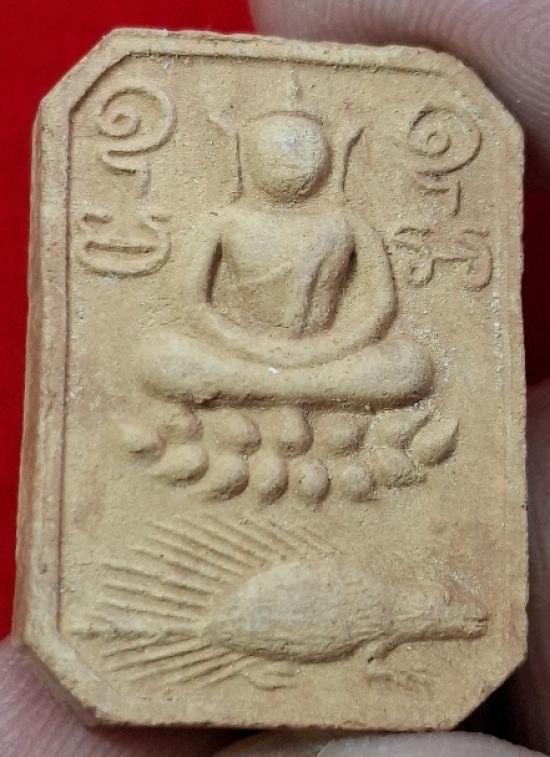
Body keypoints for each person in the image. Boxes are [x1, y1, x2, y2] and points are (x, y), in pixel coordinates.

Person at [1, 1, 549, 755]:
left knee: (412, 366)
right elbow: (192, 307)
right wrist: (254, 349)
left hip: (331, 362)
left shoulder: (345, 225)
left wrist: (317, 353)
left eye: (304, 150)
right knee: (161, 357)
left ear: (323, 159)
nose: (292, 163)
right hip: (235, 359)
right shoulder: (225, 223)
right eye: (278, 149)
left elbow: (377, 308)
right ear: (252, 156)